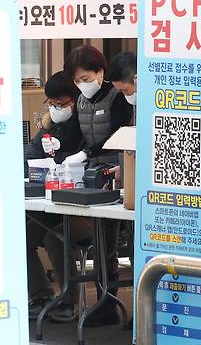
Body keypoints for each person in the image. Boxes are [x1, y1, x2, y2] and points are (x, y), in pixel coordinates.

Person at [41, 45, 133, 326]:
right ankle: (103, 305)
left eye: (86, 78)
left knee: (110, 242)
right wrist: (59, 148)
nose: (83, 85)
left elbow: (118, 135)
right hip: (89, 178)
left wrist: (87, 153)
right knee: (98, 239)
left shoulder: (118, 98)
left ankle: (109, 304)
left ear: (100, 72)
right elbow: (77, 136)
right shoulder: (81, 101)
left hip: (118, 174)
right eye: (78, 81)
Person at [25, 71, 83, 320]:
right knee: (21, 233)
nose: (57, 108)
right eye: (53, 103)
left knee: (55, 237)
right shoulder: (50, 124)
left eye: (63, 103)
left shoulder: (84, 123)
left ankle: (70, 303)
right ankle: (41, 295)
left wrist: (61, 161)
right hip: (52, 202)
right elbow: (30, 154)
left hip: (81, 207)